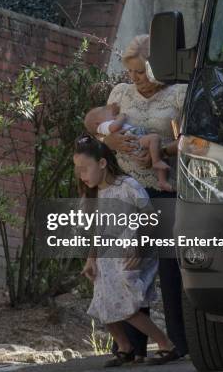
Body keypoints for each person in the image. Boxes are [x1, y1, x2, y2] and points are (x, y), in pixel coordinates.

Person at [101, 35, 188, 362]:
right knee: (128, 266)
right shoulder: (121, 93)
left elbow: (191, 139)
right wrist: (116, 144)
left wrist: (160, 150)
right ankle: (131, 347)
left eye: (141, 72)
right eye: (132, 73)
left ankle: (179, 343)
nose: (136, 80)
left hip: (164, 190)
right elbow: (103, 130)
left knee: (169, 269)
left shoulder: (179, 95)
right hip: (126, 192)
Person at [74, 134, 178, 367]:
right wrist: (91, 260)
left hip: (132, 253)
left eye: (85, 169)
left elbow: (151, 219)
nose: (81, 175)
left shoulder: (128, 187)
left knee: (127, 304)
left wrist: (139, 251)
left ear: (102, 163)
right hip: (106, 258)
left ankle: (166, 345)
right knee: (103, 305)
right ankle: (125, 347)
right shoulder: (95, 195)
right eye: (78, 170)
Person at [84, 103, 172, 191]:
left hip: (135, 138)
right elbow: (114, 127)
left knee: (157, 150)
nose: (112, 115)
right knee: (155, 139)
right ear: (97, 123)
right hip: (133, 140)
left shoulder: (104, 123)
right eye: (106, 113)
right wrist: (121, 118)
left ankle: (162, 181)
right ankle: (157, 164)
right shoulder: (102, 126)